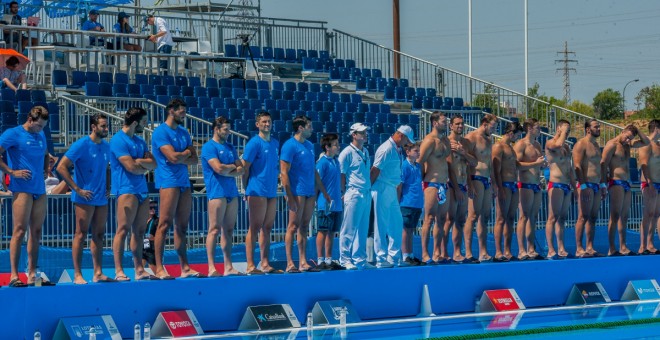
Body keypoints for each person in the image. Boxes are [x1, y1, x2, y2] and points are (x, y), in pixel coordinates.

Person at [57, 114, 113, 284]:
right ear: (93, 127)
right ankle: (77, 274)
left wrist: (108, 187)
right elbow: (61, 167)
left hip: (101, 198)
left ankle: (98, 272)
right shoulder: (82, 144)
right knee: (80, 234)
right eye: (103, 126)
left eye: (106, 126)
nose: (106, 129)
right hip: (84, 197)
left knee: (99, 234)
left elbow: (107, 168)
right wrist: (76, 189)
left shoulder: (106, 146)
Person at [0, 106, 51, 287]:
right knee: (19, 231)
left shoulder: (41, 135)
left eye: (43, 127)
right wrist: (12, 172)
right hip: (22, 189)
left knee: (36, 232)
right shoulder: (13, 134)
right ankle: (14, 275)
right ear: (30, 119)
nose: (40, 130)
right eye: (38, 126)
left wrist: (46, 169)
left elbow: (46, 154)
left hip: (39, 189)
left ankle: (32, 274)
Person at [151, 98, 200, 279]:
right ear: (171, 111)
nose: (184, 115)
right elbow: (172, 158)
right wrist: (185, 153)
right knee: (164, 224)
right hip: (168, 181)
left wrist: (183, 156)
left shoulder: (184, 132)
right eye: (181, 111)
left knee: (182, 227)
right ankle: (158, 268)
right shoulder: (160, 132)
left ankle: (185, 267)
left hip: (184, 182)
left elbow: (195, 160)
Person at [110, 107, 156, 281]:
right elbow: (131, 167)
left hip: (142, 190)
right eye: (144, 122)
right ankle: (119, 270)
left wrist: (139, 163)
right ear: (135, 123)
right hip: (126, 189)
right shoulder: (118, 140)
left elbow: (154, 164)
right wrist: (142, 165)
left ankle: (139, 269)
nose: (146, 125)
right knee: (122, 230)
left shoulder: (140, 141)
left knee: (139, 232)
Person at [281, 115, 330, 273]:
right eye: (309, 126)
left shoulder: (309, 145)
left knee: (304, 226)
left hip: (309, 191)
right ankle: (290, 263)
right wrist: (288, 194)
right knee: (293, 226)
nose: (312, 128)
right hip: (297, 191)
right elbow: (284, 172)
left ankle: (303, 262)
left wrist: (323, 191)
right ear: (300, 128)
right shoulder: (289, 145)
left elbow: (314, 170)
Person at [492, 122, 543, 262]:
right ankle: (498, 252)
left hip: (513, 185)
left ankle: (507, 251)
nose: (518, 137)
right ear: (510, 132)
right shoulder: (498, 146)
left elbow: (515, 165)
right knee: (501, 218)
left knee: (510, 219)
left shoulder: (511, 148)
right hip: (505, 185)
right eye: (517, 134)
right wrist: (499, 188)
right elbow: (495, 170)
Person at [201, 116, 245, 276]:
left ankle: (228, 266)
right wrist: (232, 168)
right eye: (225, 129)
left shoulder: (230, 147)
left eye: (229, 129)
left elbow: (242, 169)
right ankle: (211, 266)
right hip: (217, 192)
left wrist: (229, 169)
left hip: (231, 192)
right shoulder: (208, 147)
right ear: (216, 129)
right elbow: (218, 169)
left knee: (229, 230)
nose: (228, 132)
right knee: (214, 229)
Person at [241, 111, 281, 275]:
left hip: (271, 190)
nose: (267, 124)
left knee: (268, 227)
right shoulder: (253, 143)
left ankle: (265, 262)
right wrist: (246, 189)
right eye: (264, 121)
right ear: (257, 124)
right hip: (256, 190)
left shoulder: (275, 143)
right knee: (255, 227)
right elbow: (245, 168)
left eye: (269, 121)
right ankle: (250, 265)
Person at [602, 124, 650, 256]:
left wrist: (637, 129)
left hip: (626, 183)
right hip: (616, 181)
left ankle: (623, 247)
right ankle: (612, 248)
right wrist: (603, 184)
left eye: (631, 138)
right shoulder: (612, 144)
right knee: (615, 215)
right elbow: (603, 163)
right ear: (622, 131)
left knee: (624, 216)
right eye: (627, 136)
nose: (628, 140)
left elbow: (646, 142)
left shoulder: (628, 145)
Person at [371, 125, 414, 268]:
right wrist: (368, 189)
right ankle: (381, 258)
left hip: (391, 188)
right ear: (401, 136)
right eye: (407, 140)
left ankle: (393, 256)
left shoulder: (396, 149)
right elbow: (375, 170)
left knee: (396, 222)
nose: (407, 144)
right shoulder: (386, 149)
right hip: (382, 187)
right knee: (381, 224)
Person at [442, 115, 477, 263]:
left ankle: (457, 252)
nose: (460, 126)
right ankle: (443, 252)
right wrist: (456, 189)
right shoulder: (447, 143)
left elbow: (473, 163)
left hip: (463, 184)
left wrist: (464, 153)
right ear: (451, 126)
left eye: (462, 124)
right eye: (457, 124)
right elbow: (449, 167)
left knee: (460, 220)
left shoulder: (466, 143)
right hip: (452, 185)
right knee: (448, 219)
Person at [464, 114, 498, 262]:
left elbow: (489, 164)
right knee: (472, 216)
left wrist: (494, 183)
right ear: (484, 123)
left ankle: (483, 251)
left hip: (486, 179)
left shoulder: (489, 140)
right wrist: (469, 183)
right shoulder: (471, 137)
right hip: (475, 178)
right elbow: (465, 161)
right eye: (493, 126)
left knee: (484, 217)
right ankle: (468, 252)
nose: (494, 129)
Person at [418, 111, 452, 264]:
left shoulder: (445, 140)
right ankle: (425, 254)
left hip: (444, 184)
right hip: (431, 183)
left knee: (442, 219)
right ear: (434, 123)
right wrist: (425, 180)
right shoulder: (429, 141)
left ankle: (436, 252)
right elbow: (420, 161)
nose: (446, 124)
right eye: (443, 122)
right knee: (429, 218)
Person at [338, 122, 373, 270]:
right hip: (353, 192)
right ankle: (344, 259)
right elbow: (341, 174)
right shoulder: (347, 152)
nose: (365, 134)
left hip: (366, 193)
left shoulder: (365, 151)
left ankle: (359, 259)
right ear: (354, 135)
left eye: (365, 132)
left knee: (363, 229)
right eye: (361, 132)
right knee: (349, 228)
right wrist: (343, 192)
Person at [572, 119, 607, 258]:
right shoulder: (581, 144)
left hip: (596, 185)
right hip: (586, 184)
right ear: (588, 129)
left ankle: (590, 247)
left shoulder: (596, 145)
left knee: (593, 217)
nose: (599, 128)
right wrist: (583, 185)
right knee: (583, 217)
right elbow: (577, 166)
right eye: (596, 127)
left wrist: (603, 184)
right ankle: (579, 248)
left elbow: (598, 166)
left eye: (599, 126)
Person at [514, 118, 546, 260]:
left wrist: (542, 165)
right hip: (525, 184)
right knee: (524, 216)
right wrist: (535, 163)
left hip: (536, 184)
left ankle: (531, 248)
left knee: (533, 218)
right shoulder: (521, 144)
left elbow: (538, 163)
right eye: (537, 127)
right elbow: (517, 165)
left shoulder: (538, 145)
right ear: (529, 128)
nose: (539, 130)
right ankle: (521, 250)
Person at [544, 120, 576, 259]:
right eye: (565, 130)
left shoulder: (566, 148)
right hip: (555, 184)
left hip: (566, 185)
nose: (567, 134)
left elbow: (569, 169)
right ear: (558, 129)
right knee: (552, 217)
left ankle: (561, 248)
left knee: (562, 218)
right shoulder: (550, 143)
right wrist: (562, 133)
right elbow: (557, 144)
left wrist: (575, 188)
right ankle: (551, 249)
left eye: (568, 131)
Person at [315, 133, 344, 270]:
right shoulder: (322, 163)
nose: (338, 147)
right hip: (324, 204)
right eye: (335, 145)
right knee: (323, 230)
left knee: (332, 232)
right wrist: (316, 201)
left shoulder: (336, 162)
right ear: (327, 147)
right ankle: (320, 260)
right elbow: (316, 182)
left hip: (336, 204)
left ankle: (328, 259)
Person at [399, 141, 424, 266]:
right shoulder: (405, 166)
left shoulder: (418, 166)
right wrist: (399, 200)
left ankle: (410, 254)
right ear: (408, 152)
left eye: (418, 151)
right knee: (405, 229)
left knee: (411, 230)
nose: (418, 153)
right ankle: (405, 255)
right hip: (407, 202)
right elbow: (400, 184)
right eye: (415, 151)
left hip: (417, 203)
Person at [639, 119, 660, 254]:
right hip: (649, 183)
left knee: (657, 214)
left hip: (659, 183)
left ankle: (651, 244)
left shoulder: (658, 145)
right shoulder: (647, 144)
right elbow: (644, 164)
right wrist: (650, 183)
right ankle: (643, 246)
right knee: (649, 214)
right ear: (657, 129)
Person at [142, 201, 159, 268]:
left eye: (154, 207)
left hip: (152, 247)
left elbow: (165, 236)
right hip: (143, 246)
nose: (153, 209)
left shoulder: (157, 220)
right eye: (150, 207)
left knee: (153, 267)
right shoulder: (142, 220)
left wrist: (154, 238)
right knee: (140, 269)